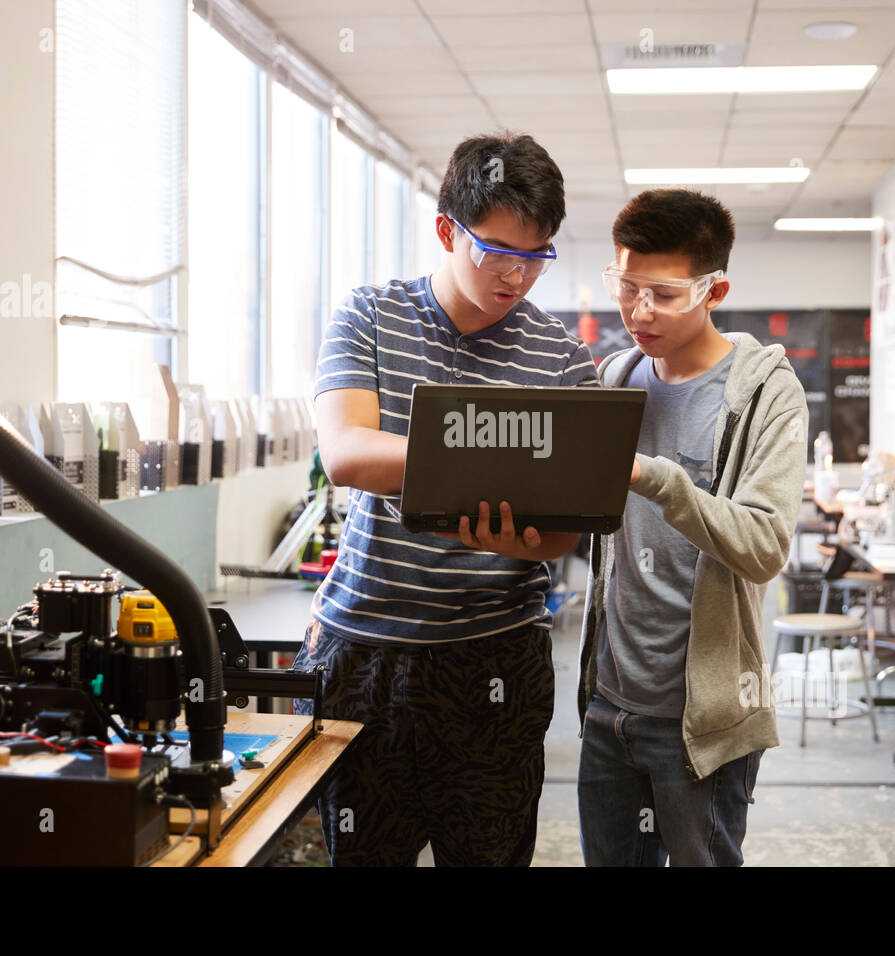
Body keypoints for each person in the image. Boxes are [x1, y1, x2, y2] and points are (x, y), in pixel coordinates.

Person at [293, 131, 598, 866]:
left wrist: (510, 532)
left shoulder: (563, 358)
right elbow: (347, 454)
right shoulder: (370, 315)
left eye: (537, 256)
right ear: (445, 230)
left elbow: (566, 529)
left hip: (496, 658)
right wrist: (502, 460)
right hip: (366, 653)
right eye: (497, 251)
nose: (516, 276)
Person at [577, 188, 808, 867]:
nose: (639, 310)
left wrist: (659, 480)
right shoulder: (614, 377)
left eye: (663, 294)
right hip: (609, 705)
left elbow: (764, 545)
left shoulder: (765, 393)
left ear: (715, 290)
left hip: (700, 718)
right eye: (627, 288)